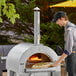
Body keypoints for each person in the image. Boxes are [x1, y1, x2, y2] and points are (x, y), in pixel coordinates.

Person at [52, 11, 76, 76]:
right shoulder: (69, 27)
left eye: (57, 21)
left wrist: (57, 62)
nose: (57, 23)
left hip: (73, 56)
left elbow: (68, 50)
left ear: (62, 19)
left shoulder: (70, 30)